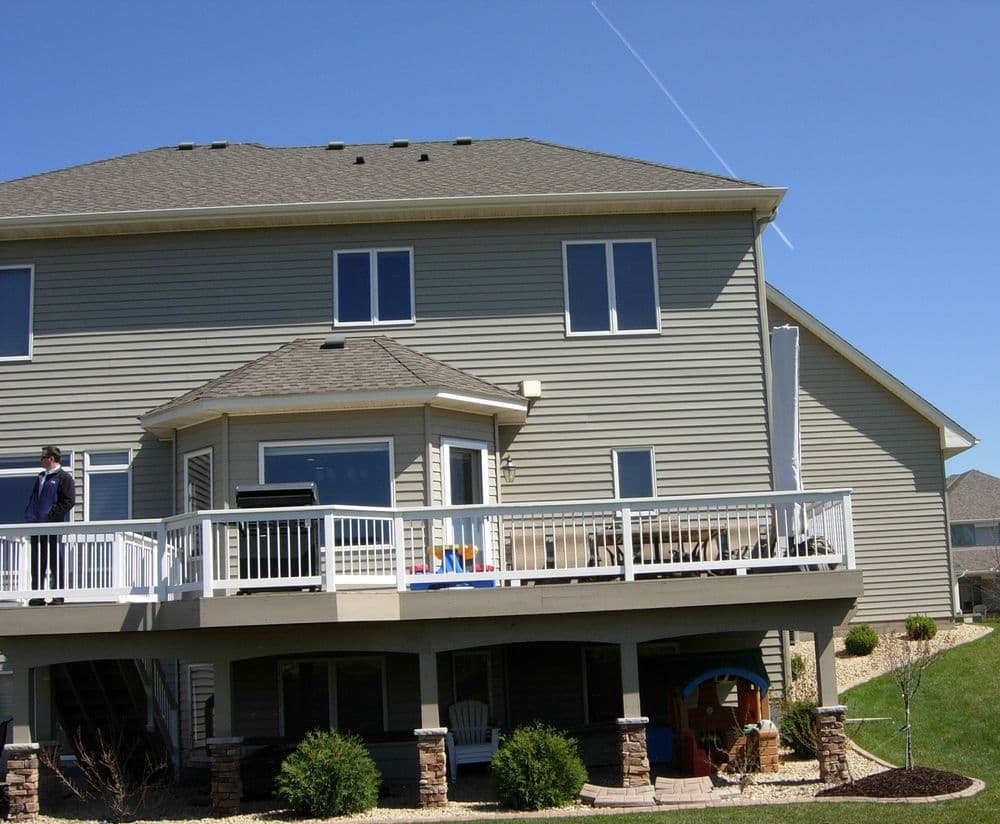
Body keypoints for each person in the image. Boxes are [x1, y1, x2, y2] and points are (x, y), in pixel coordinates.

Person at [24, 445, 75, 605]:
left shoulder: (64, 478)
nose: (40, 460)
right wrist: (30, 516)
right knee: (37, 562)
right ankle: (38, 596)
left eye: (42, 457)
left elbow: (68, 502)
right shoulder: (41, 477)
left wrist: (51, 517)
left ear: (51, 459)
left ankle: (57, 596)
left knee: (55, 562)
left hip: (53, 527)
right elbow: (34, 499)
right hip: (36, 527)